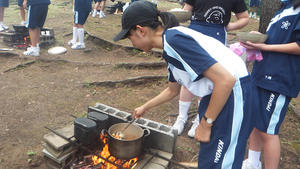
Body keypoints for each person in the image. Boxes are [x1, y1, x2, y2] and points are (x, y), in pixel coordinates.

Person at [114, 1, 254, 168]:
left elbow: (226, 80)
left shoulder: (175, 40)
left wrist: (205, 124)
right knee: (211, 154)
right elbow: (172, 90)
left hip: (234, 93)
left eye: (130, 37)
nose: (132, 43)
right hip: (219, 94)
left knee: (222, 161)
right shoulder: (169, 48)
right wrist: (145, 107)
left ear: (141, 31)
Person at [173, 0, 250, 137]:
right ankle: (181, 118)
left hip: (217, 35)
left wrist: (229, 26)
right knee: (188, 76)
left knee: (208, 80)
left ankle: (199, 119)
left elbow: (244, 18)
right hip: (193, 33)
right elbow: (186, 11)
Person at [241, 0, 300, 169]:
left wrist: (266, 47)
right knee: (254, 119)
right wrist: (257, 39)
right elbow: (273, 39)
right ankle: (252, 162)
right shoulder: (284, 8)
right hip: (261, 73)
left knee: (268, 130)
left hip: (279, 78)